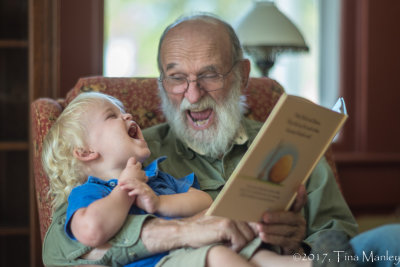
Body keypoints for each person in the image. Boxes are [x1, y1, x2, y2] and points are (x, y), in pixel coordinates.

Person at [42, 13, 358, 266]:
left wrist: (297, 245)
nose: (193, 94)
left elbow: (344, 242)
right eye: (177, 78)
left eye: (210, 74)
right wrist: (179, 231)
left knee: (389, 244)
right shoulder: (132, 156)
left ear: (242, 75)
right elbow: (58, 250)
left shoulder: (291, 142)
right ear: (163, 83)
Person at [42, 91, 312, 267]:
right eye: (112, 115)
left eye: (123, 110)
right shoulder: (89, 193)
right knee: (219, 257)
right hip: (162, 261)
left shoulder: (156, 177)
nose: (127, 115)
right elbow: (89, 232)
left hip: (199, 249)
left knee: (256, 255)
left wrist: (158, 202)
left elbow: (201, 200)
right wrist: (125, 190)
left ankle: (317, 262)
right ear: (86, 152)